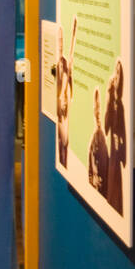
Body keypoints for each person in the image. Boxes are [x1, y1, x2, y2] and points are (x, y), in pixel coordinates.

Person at [103, 59, 126, 215]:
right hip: (113, 158)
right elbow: (106, 128)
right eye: (116, 73)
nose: (116, 77)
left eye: (119, 74)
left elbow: (123, 133)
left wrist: (122, 144)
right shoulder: (112, 103)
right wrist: (108, 97)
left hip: (117, 159)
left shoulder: (122, 106)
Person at [55, 17, 77, 167]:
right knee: (60, 139)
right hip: (58, 110)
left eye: (63, 40)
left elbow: (70, 84)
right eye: (59, 40)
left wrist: (67, 97)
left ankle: (65, 161)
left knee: (66, 140)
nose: (61, 43)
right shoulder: (55, 64)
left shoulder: (64, 62)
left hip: (64, 110)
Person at [87, 87, 108, 193]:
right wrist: (93, 181)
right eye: (97, 112)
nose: (98, 117)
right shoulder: (94, 140)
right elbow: (90, 170)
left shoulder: (105, 140)